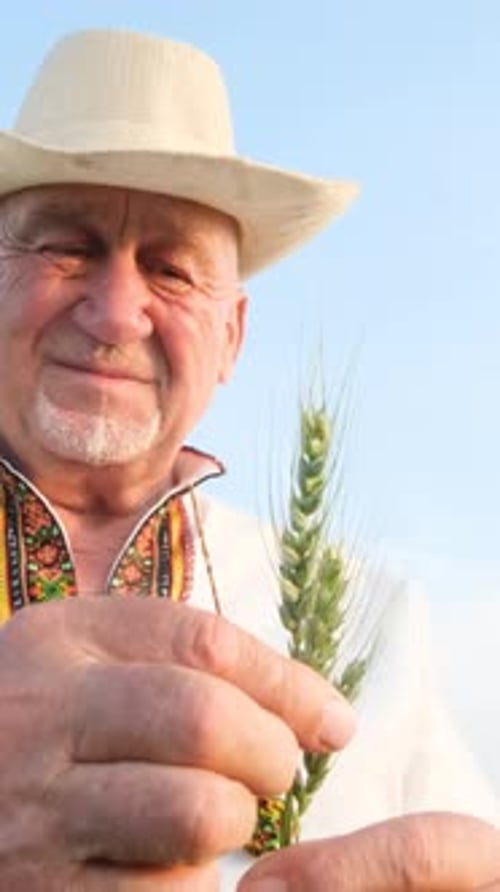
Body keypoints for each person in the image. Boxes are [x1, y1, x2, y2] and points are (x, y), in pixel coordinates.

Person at [0, 26, 498, 892]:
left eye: (172, 270)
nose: (118, 313)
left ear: (231, 337)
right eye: (64, 246)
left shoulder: (377, 617)